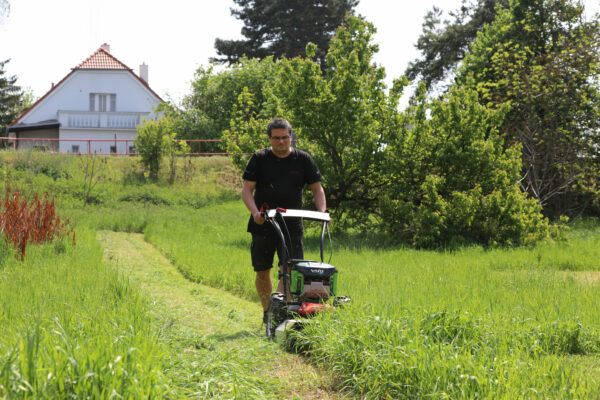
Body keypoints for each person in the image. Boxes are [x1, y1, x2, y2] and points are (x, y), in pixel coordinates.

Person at [241, 118, 326, 324]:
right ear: (270, 139)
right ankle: (267, 311)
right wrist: (254, 213)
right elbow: (246, 190)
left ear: (291, 137)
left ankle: (279, 313)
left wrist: (323, 212)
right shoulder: (259, 158)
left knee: (289, 270)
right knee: (262, 271)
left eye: (285, 138)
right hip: (263, 223)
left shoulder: (303, 159)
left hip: (292, 224)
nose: (281, 142)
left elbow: (317, 189)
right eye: (276, 138)